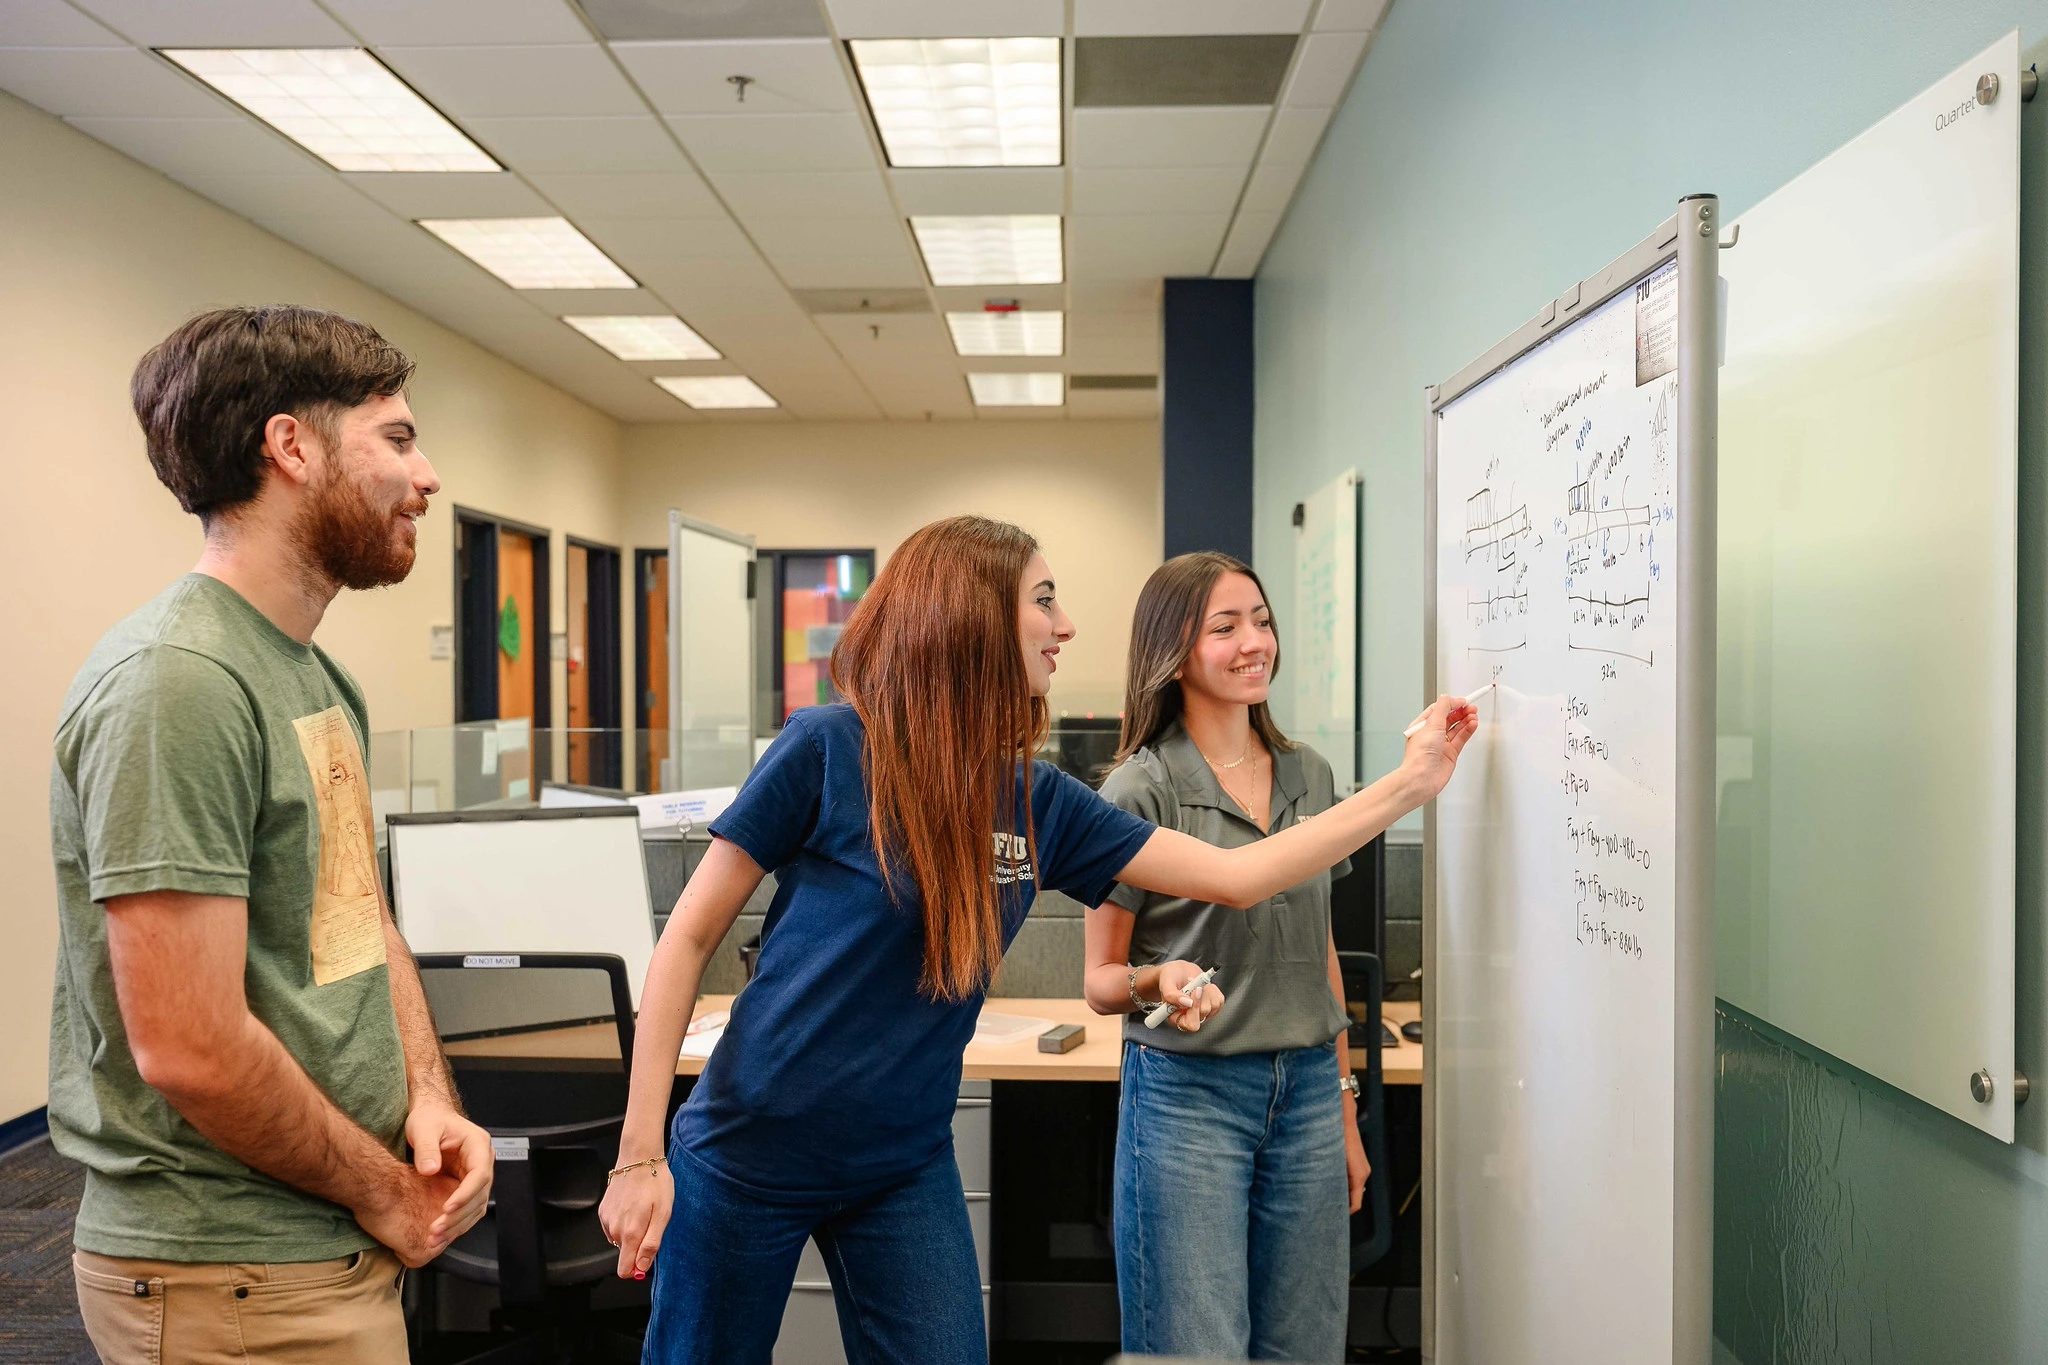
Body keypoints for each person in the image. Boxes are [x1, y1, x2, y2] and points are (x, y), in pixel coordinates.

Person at [598, 515, 1477, 1365]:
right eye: (1044, 599)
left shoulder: (1036, 798)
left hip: (899, 1163)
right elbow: (687, 940)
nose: (1066, 625)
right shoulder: (830, 747)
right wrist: (641, 1155)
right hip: (753, 1146)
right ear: (972, 616)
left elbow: (1243, 874)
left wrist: (1409, 784)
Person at [47, 306, 492, 1363]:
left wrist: (427, 1098)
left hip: (316, 1250)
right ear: (291, 447)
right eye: (395, 438)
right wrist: (385, 1191)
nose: (425, 476)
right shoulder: (179, 684)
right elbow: (189, 1047)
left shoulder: (310, 673)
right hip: (228, 1275)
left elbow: (357, 920)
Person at [1085, 551, 1394, 1362]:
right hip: (1188, 1097)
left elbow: (1319, 951)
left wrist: (1344, 1106)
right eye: (1225, 627)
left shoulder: (1309, 774)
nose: (1254, 640)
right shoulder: (1138, 789)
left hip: (1306, 1103)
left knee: (1306, 1346)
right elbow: (1099, 980)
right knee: (1194, 1350)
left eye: (1261, 620)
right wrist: (1159, 978)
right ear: (1174, 652)